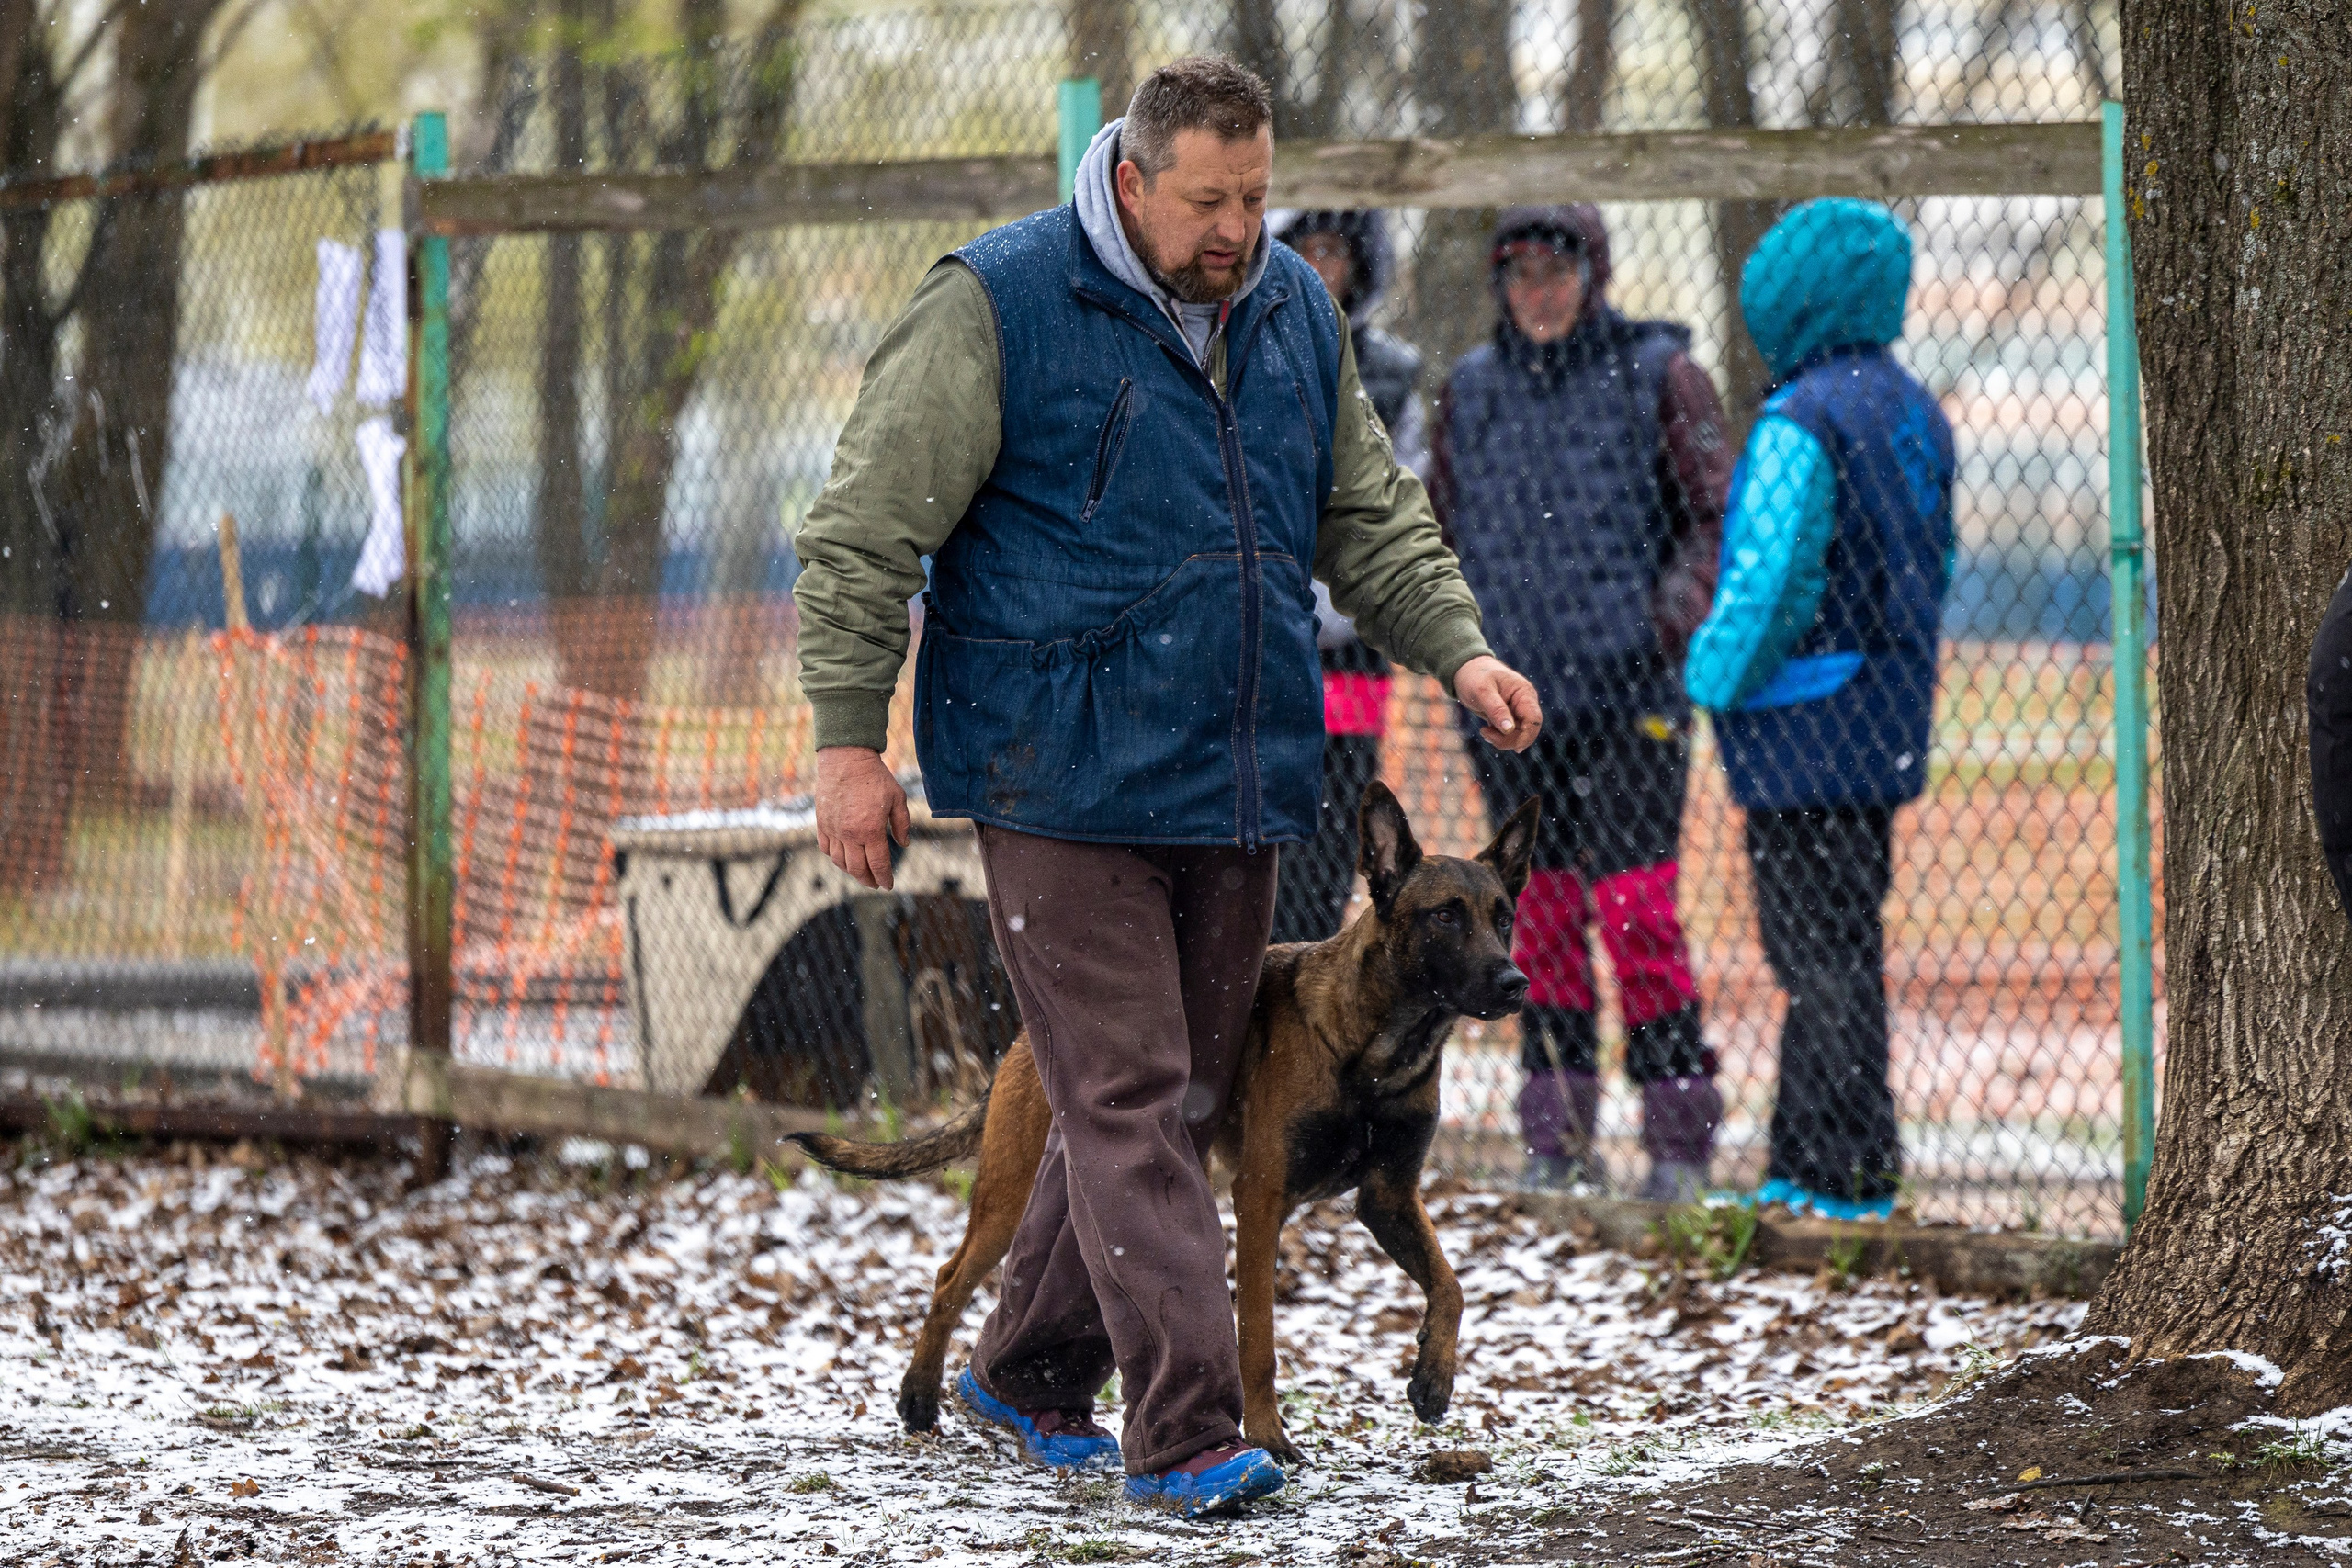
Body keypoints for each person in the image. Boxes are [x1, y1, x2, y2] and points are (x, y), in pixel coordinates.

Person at [791, 58, 1541, 1515]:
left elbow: (1366, 512)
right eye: (1208, 199)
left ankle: (1027, 1367)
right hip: (1053, 773)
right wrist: (845, 740)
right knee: (1134, 1090)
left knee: (1172, 1092)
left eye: (1256, 195)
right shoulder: (999, 303)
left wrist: (1457, 646)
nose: (1238, 228)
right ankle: (1190, 1428)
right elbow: (865, 527)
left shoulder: (1293, 311)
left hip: (1232, 773)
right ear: (1130, 182)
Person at [1430, 204, 1734, 1202]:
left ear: (1592, 274)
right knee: (1540, 919)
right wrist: (1464, 650)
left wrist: (1661, 625)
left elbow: (1713, 519)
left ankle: (1679, 1143)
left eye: (1556, 273)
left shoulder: (1659, 374)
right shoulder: (1472, 389)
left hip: (1632, 700)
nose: (1539, 294)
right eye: (1519, 276)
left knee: (1637, 913)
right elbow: (1436, 531)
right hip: (1514, 709)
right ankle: (1555, 1142)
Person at [1683, 197, 1957, 1223]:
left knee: (1814, 957)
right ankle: (1830, 1163)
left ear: (1789, 301)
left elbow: (1771, 580)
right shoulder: (1912, 411)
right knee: (1843, 947)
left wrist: (1709, 675)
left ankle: (1833, 1173)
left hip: (1803, 727)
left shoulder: (1800, 419)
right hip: (1882, 720)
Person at [1267, 209, 1426, 944]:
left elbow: (1401, 508)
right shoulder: (1243, 357)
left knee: (1329, 849)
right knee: (1254, 852)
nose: (1317, 267)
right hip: (1260, 641)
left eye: (1331, 251)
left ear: (1359, 264)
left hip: (1350, 647)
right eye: (1303, 250)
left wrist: (1344, 602)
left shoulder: (1390, 378)